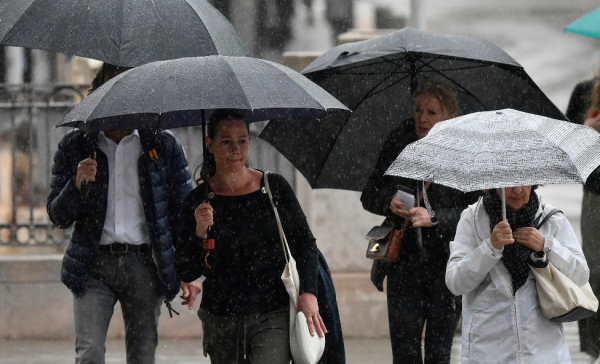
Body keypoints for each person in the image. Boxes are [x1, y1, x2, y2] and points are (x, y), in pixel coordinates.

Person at [47, 63, 198, 364]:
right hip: (93, 264)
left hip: (144, 265)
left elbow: (183, 213)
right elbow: (58, 216)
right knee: (89, 354)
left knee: (142, 357)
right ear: (100, 93)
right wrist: (76, 186)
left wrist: (188, 270)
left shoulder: (162, 145)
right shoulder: (76, 146)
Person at [174, 109, 325, 364]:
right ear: (209, 145)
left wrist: (308, 294)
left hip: (272, 311)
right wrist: (199, 233)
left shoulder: (274, 188)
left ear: (249, 142)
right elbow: (186, 270)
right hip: (221, 316)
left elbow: (305, 245)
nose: (235, 148)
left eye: (242, 140)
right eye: (226, 141)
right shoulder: (197, 202)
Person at [361, 78, 479, 364]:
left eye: (431, 112)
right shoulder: (399, 141)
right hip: (404, 265)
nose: (422, 118)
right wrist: (389, 200)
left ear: (452, 117)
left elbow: (477, 211)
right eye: (417, 110)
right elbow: (369, 194)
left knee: (439, 353)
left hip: (447, 266)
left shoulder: (466, 152)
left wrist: (436, 218)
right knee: (405, 353)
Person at [446, 186, 590, 363]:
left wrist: (547, 246)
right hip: (487, 352)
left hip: (544, 353)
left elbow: (581, 274)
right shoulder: (473, 219)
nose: (518, 190)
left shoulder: (552, 219)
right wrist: (490, 248)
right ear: (494, 185)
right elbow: (455, 283)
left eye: (525, 182)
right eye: (510, 186)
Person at [575, 78, 600, 363]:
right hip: (596, 194)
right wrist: (587, 129)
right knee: (594, 272)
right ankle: (592, 348)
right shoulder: (585, 91)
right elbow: (567, 145)